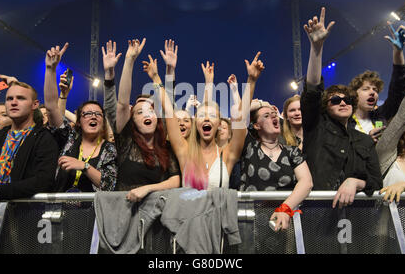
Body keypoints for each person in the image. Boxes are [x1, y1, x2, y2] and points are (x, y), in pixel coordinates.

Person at [144, 50, 264, 190]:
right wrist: (155, 78)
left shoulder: (227, 154)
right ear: (196, 123)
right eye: (201, 115)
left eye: (212, 116)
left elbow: (241, 118)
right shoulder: (184, 151)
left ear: (219, 124)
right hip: (189, 212)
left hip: (219, 212)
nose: (206, 118)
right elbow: (169, 111)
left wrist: (252, 81)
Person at [301, 7, 382, 208]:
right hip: (317, 215)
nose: (343, 102)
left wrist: (355, 182)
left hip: (357, 219)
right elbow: (312, 89)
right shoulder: (316, 127)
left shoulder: (364, 140)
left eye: (347, 100)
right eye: (335, 101)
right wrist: (316, 49)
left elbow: (376, 181)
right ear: (325, 107)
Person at [103, 38, 180, 202]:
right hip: (124, 216)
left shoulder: (165, 148)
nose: (146, 115)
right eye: (139, 112)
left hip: (157, 218)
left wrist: (170, 70)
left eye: (151, 110)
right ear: (133, 120)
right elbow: (122, 104)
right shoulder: (126, 142)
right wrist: (129, 60)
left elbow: (175, 181)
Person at [0, 81, 59, 219]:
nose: (13, 102)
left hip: (24, 219)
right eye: (9, 98)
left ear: (35, 104)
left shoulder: (44, 139)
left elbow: (43, 181)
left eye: (21, 98)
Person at [44, 43, 117, 192]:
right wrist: (51, 69)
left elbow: (108, 185)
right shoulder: (69, 139)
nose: (93, 117)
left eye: (98, 114)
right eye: (87, 113)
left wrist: (84, 166)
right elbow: (51, 107)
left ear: (103, 121)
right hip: (60, 210)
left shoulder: (109, 149)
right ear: (78, 121)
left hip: (92, 213)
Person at [239, 99, 312, 231]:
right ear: (256, 125)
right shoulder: (248, 147)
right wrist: (263, 104)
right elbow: (239, 116)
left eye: (274, 114)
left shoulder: (292, 151)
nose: (273, 116)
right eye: (266, 116)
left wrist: (284, 209)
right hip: (252, 224)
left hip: (284, 223)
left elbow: (306, 182)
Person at [348, 23, 405, 142]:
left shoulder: (381, 116)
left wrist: (398, 52)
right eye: (366, 89)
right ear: (354, 94)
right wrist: (366, 142)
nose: (372, 92)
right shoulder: (344, 122)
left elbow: (398, 90)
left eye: (375, 90)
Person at [376, 64, 405, 202]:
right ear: (402, 131)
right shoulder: (387, 155)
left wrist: (404, 185)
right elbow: (402, 115)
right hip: (387, 223)